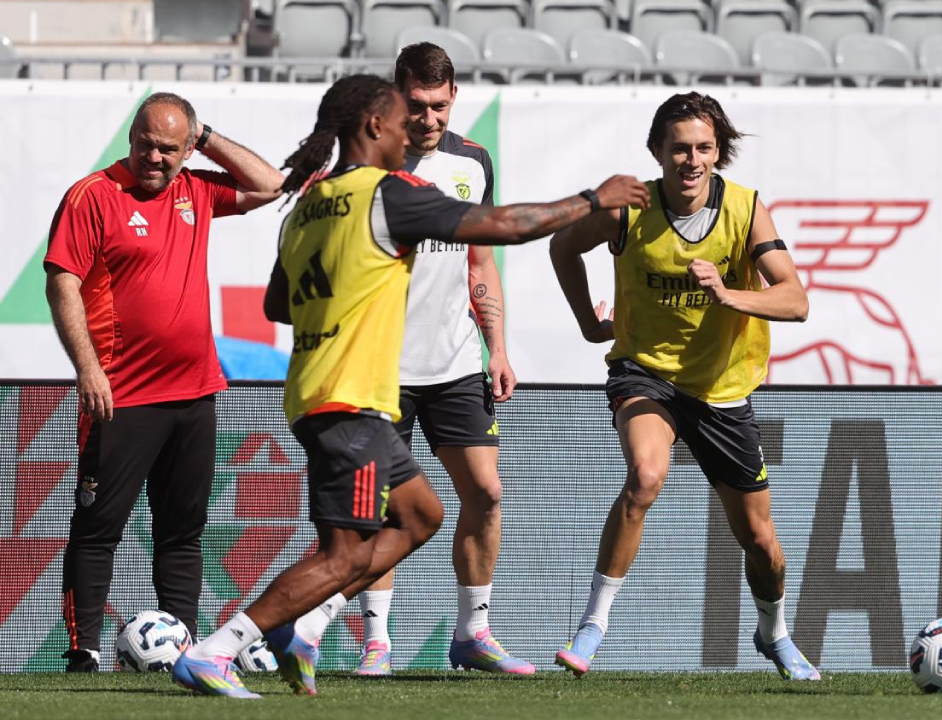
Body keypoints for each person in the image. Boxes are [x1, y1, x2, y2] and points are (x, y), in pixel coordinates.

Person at [171, 74, 648, 699]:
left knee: (422, 514)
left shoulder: (308, 204)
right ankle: (219, 649)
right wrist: (593, 198)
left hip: (320, 393)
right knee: (344, 555)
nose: (410, 135)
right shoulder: (387, 194)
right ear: (374, 127)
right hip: (352, 399)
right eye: (400, 123)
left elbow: (278, 304)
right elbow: (503, 226)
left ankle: (302, 628)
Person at [548, 92, 819, 681]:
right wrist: (590, 325)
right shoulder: (629, 209)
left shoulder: (746, 210)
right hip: (644, 372)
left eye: (703, 148)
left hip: (723, 390)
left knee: (759, 540)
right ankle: (594, 625)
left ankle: (773, 632)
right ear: (657, 152)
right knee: (645, 475)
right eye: (679, 149)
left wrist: (726, 294)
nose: (691, 161)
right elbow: (562, 246)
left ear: (718, 153)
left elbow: (796, 301)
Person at [44, 93, 283, 672]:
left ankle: (186, 647)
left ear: (187, 146)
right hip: (120, 395)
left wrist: (208, 139)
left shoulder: (194, 189)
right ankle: (84, 652)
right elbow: (62, 284)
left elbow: (271, 184)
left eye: (169, 148)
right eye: (147, 144)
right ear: (131, 137)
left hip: (196, 392)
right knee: (100, 527)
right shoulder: (92, 195)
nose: (155, 158)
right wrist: (88, 368)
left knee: (182, 532)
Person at [348, 42, 531, 678]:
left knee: (486, 492)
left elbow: (481, 260)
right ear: (396, 97)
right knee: (377, 509)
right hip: (381, 370)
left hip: (456, 364)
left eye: (440, 105)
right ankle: (376, 639)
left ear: (454, 96)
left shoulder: (473, 162)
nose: (429, 118)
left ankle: (472, 632)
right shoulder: (370, 162)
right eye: (418, 106)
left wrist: (497, 347)